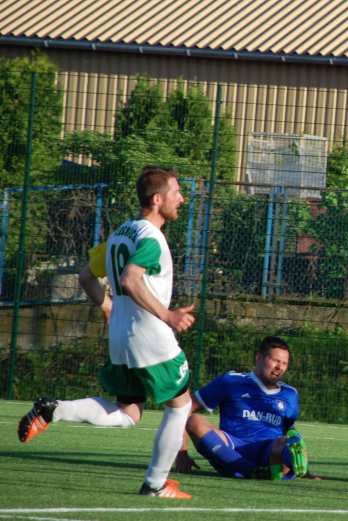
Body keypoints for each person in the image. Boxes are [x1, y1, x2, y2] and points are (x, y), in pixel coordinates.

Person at [18, 166, 196, 499]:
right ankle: (155, 484)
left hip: (120, 338)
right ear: (157, 200)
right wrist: (168, 315)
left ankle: (55, 409)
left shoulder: (121, 233)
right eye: (176, 192)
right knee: (180, 406)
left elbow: (87, 276)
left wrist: (106, 306)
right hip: (151, 336)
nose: (181, 198)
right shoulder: (151, 239)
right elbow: (130, 278)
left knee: (129, 413)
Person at [173, 335, 314, 481]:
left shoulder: (290, 394)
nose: (279, 367)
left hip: (269, 454)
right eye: (275, 361)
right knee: (195, 421)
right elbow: (185, 408)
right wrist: (181, 451)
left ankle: (289, 472)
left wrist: (303, 467)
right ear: (259, 358)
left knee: (290, 440)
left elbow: (290, 434)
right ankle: (248, 470)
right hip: (231, 448)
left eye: (284, 363)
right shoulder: (231, 381)